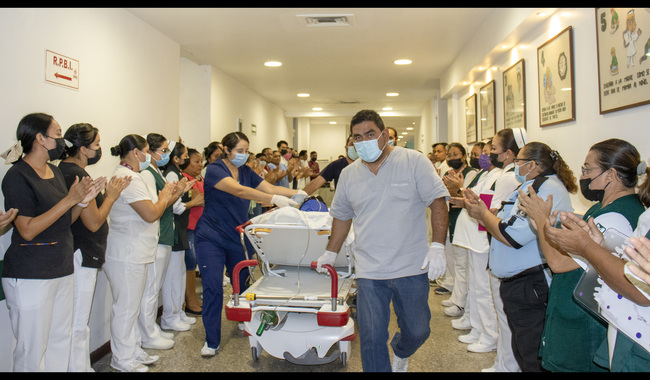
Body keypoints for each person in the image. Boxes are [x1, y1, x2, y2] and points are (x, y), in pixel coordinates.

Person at [315, 109, 449, 372]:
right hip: (370, 269)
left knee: (418, 330)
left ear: (385, 135)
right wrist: (330, 252)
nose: (363, 141)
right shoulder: (349, 175)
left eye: (370, 134)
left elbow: (438, 202)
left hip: (411, 266)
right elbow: (342, 217)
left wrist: (438, 246)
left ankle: (402, 350)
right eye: (357, 137)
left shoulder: (414, 161)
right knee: (372, 337)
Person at [517, 138, 646, 372]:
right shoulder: (602, 207)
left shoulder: (617, 216)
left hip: (583, 324)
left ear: (610, 175)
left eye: (587, 169)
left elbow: (559, 263)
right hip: (573, 316)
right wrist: (551, 229)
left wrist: (541, 220)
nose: (582, 175)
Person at [463, 141, 577, 372]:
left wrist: (484, 214)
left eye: (518, 162)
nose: (515, 166)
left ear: (532, 164)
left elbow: (512, 236)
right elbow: (509, 221)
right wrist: (487, 212)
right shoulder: (530, 185)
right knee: (523, 349)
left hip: (531, 283)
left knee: (532, 353)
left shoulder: (546, 189)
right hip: (518, 283)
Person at [194, 131, 306, 357]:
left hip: (236, 236)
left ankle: (244, 320)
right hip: (210, 236)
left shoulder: (245, 171)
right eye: (239, 151)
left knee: (244, 285)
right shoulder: (215, 169)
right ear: (226, 150)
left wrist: (297, 192)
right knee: (213, 287)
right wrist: (274, 201)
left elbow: (270, 188)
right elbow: (240, 191)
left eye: (246, 151)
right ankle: (211, 340)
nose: (244, 156)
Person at [1, 113, 97, 372]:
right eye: (56, 133)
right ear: (39, 138)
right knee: (31, 349)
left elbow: (64, 220)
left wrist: (83, 201)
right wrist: (68, 200)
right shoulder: (17, 177)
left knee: (60, 340)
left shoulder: (54, 172)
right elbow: (28, 230)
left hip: (61, 268)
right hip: (31, 273)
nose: (61, 138)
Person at [59, 123, 132, 372]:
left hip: (81, 253)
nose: (100, 149)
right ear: (82, 149)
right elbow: (93, 222)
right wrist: (110, 195)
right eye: (97, 145)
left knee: (76, 321)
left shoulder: (70, 170)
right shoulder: (76, 174)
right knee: (78, 322)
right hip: (80, 253)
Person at [103, 134, 176, 372]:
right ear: (136, 153)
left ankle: (133, 350)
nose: (149, 156)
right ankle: (122, 359)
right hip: (126, 253)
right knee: (125, 307)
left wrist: (165, 198)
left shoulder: (133, 176)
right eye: (146, 151)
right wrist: (165, 196)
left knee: (132, 306)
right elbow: (151, 213)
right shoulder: (126, 177)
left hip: (137, 251)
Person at [139, 134, 193, 348]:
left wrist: (178, 192)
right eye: (163, 151)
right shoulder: (147, 174)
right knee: (151, 289)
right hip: (157, 235)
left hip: (165, 234)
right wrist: (177, 193)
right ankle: (148, 332)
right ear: (149, 151)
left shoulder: (157, 172)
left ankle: (152, 329)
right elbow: (157, 205)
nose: (166, 155)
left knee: (156, 286)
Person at [448, 141, 502, 355]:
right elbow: (473, 198)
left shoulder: (501, 176)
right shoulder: (484, 174)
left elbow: (483, 204)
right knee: (474, 286)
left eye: (489, 153)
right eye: (483, 153)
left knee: (483, 290)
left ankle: (489, 335)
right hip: (473, 237)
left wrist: (462, 193)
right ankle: (476, 326)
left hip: (482, 239)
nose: (484, 157)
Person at [161, 141, 204, 333]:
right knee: (173, 275)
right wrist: (193, 201)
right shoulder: (171, 173)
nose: (187, 158)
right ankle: (171, 316)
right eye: (185, 155)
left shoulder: (177, 173)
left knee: (178, 273)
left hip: (180, 227)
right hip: (177, 228)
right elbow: (175, 206)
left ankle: (177, 313)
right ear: (175, 157)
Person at [439, 143, 477, 318]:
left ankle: (461, 303)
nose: (452, 158)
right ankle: (457, 296)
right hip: (452, 218)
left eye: (455, 154)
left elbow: (465, 196)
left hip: (466, 221)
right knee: (455, 260)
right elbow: (444, 193)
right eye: (449, 155)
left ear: (464, 156)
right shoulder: (448, 174)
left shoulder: (472, 173)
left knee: (463, 264)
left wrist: (456, 189)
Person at [181, 148, 205, 315]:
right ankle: (190, 301)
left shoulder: (198, 178)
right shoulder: (185, 179)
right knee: (189, 265)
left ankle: (194, 298)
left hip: (199, 226)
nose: (200, 164)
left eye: (200, 161)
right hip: (188, 227)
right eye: (196, 161)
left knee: (193, 263)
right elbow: (199, 199)